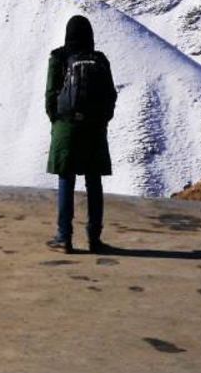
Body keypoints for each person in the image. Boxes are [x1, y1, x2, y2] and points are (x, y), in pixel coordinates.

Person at [44, 14, 117, 253]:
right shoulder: (100, 59)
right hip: (94, 129)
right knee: (93, 182)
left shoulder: (59, 57)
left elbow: (50, 96)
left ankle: (64, 237)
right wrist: (101, 121)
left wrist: (59, 121)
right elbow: (111, 95)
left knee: (67, 179)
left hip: (67, 127)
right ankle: (94, 239)